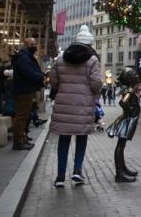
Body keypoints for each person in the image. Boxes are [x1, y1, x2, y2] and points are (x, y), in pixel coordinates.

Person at [50, 25, 102, 187]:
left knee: (64, 140)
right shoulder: (92, 60)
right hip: (83, 106)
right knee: (81, 138)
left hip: (64, 106)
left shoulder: (60, 58)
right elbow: (96, 84)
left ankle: (60, 176)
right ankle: (77, 171)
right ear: (89, 45)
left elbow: (53, 81)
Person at [106, 67, 141, 183]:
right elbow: (123, 102)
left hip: (127, 120)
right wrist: (129, 112)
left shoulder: (130, 89)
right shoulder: (130, 91)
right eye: (134, 74)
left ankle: (123, 169)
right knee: (120, 146)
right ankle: (119, 173)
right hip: (126, 121)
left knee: (122, 145)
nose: (136, 75)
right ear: (131, 78)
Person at [12, 38, 45, 150]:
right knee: (21, 117)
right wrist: (41, 77)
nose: (34, 46)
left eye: (35, 44)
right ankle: (18, 142)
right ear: (25, 45)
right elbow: (28, 73)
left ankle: (22, 138)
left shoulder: (27, 57)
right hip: (23, 90)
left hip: (26, 89)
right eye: (32, 44)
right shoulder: (23, 58)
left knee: (24, 116)